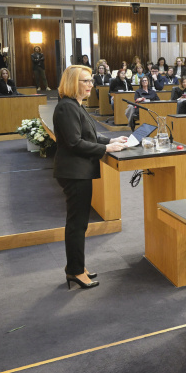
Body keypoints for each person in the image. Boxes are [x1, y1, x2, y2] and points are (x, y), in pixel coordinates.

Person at [53, 65, 126, 289]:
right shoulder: (67, 107)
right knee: (76, 224)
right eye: (86, 81)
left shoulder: (76, 105)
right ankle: (74, 271)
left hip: (78, 171)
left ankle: (76, 266)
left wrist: (111, 142)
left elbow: (90, 135)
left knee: (79, 224)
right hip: (74, 173)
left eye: (91, 81)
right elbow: (75, 143)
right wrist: (105, 150)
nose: (90, 85)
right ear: (73, 82)